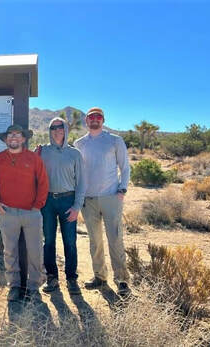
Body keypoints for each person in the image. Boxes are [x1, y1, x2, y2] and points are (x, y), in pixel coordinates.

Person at [0, 124, 49, 302]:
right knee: (10, 251)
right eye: (10, 135)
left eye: (17, 134)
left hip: (32, 213)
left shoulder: (33, 158)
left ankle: (34, 287)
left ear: (23, 138)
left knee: (35, 251)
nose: (13, 137)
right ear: (6, 139)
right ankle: (14, 286)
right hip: (8, 213)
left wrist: (38, 205)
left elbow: (43, 182)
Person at [74, 107, 132, 297]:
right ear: (86, 121)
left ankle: (122, 280)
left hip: (111, 197)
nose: (95, 120)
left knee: (115, 239)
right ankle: (100, 276)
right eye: (91, 117)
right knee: (95, 241)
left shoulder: (114, 140)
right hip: (88, 199)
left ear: (103, 120)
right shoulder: (79, 144)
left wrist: (122, 189)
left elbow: (125, 167)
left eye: (98, 117)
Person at [36, 117, 85, 295]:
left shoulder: (75, 154)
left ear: (65, 129)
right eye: (53, 128)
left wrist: (77, 206)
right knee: (48, 241)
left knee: (70, 242)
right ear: (49, 131)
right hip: (47, 201)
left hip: (68, 200)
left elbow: (81, 183)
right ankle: (52, 278)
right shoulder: (42, 151)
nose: (56, 130)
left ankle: (71, 279)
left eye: (60, 127)